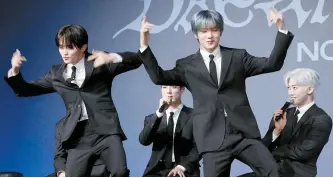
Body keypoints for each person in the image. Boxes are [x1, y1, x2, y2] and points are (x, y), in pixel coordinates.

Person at [138, 8, 294, 176]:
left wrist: (282, 28)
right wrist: (144, 45)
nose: (210, 36)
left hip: (242, 134)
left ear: (221, 32)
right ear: (196, 35)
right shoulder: (186, 66)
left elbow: (272, 64)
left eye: (214, 30)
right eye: (204, 31)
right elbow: (158, 77)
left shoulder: (238, 57)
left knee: (274, 172)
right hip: (212, 140)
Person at [4, 25, 141, 176]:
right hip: (78, 137)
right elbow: (26, 90)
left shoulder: (100, 63)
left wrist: (112, 57)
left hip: (106, 132)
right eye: (61, 47)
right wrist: (15, 71)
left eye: (69, 47)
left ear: (83, 47)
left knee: (120, 171)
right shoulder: (56, 74)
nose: (64, 52)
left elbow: (137, 60)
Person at [259, 68, 331, 176]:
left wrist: (275, 153)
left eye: (294, 88)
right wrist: (276, 131)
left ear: (310, 89)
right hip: (271, 170)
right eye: (288, 88)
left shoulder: (321, 119)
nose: (290, 93)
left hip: (298, 173)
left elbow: (302, 152)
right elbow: (262, 149)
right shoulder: (284, 115)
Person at [139, 85, 200, 177]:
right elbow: (144, 141)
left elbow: (199, 146)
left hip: (184, 169)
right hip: (157, 170)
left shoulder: (195, 116)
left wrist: (182, 166)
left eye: (174, 87)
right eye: (164, 87)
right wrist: (159, 113)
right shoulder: (152, 118)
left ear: (182, 89)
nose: (169, 91)